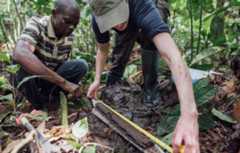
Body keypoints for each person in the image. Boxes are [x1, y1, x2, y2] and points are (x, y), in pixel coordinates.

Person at [86, 0, 200, 152]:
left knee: (150, 37)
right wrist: (97, 79)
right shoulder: (98, 18)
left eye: (117, 14)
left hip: (153, 6)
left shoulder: (140, 4)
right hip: (130, 17)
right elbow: (102, 50)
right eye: (110, 19)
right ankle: (111, 90)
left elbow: (171, 55)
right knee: (120, 53)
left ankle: (150, 87)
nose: (117, 23)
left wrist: (189, 115)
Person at [13, 0, 88, 110]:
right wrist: (64, 83)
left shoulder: (69, 37)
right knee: (22, 64)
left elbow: (62, 65)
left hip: (49, 81)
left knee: (80, 66)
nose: (71, 27)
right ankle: (36, 105)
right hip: (32, 81)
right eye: (67, 21)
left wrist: (75, 88)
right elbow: (20, 53)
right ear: (54, 14)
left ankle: (52, 99)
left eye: (75, 25)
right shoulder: (37, 24)